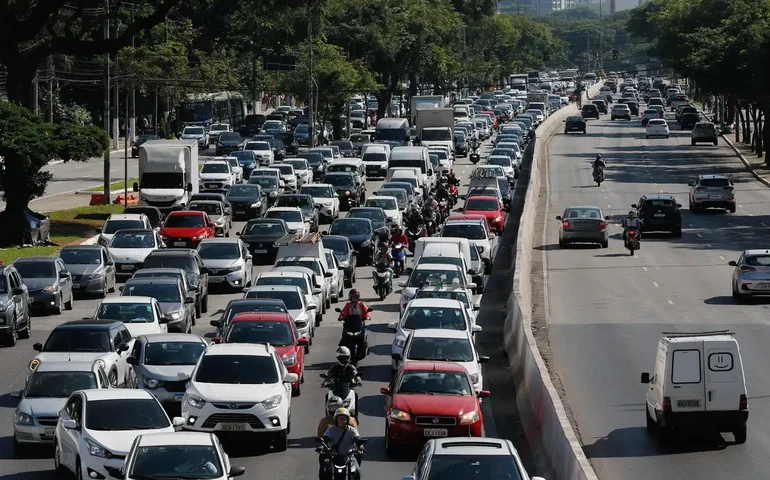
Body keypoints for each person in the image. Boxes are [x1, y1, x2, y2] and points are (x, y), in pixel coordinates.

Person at [319, 408, 364, 480]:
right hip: (333, 455)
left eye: (344, 419)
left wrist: (360, 446)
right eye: (340, 418)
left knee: (356, 470)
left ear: (348, 420)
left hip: (349, 455)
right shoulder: (331, 429)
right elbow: (325, 438)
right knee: (324, 470)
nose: (342, 421)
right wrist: (322, 445)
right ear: (336, 419)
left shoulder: (352, 430)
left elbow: (357, 438)